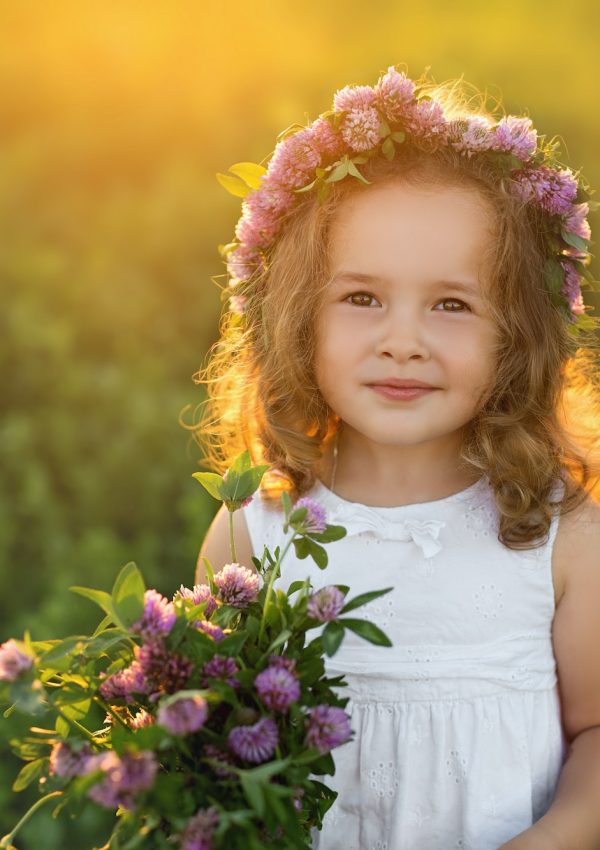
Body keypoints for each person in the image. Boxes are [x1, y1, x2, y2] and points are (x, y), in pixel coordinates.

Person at [194, 66, 600, 850]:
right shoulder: (257, 530)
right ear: (297, 318)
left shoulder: (559, 530)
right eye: (361, 298)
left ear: (514, 333)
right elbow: (214, 746)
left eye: (451, 304)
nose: (402, 340)